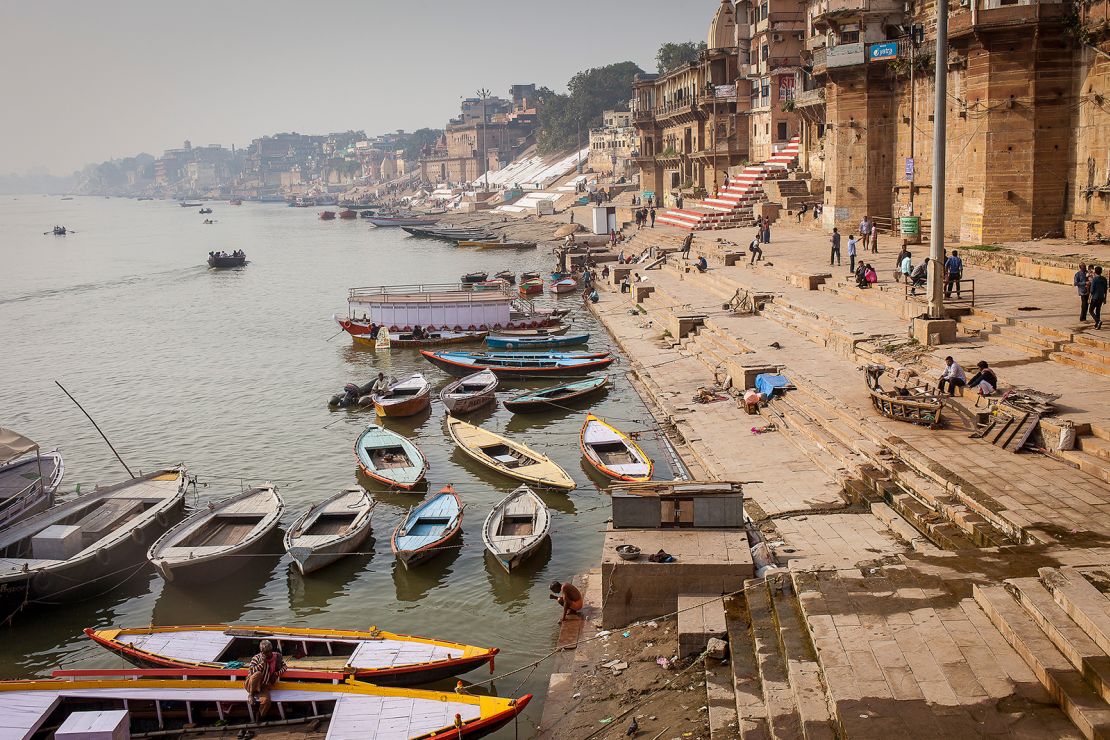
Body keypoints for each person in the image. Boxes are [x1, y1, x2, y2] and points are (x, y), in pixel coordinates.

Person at [245, 639, 287, 718]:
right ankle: (250, 695)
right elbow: (251, 671)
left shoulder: (276, 657)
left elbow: (285, 667)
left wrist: (277, 673)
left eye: (268, 652)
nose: (266, 654)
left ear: (271, 651)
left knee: (266, 701)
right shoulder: (256, 658)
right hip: (251, 685)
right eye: (264, 652)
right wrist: (262, 663)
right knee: (257, 674)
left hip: (263, 686)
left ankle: (260, 716)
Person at [1092, 265, 1108, 330]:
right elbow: (1105, 290)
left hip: (1095, 297)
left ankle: (1098, 321)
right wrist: (1105, 298)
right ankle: (1097, 324)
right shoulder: (1104, 279)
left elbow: (1092, 290)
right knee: (1098, 310)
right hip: (1101, 297)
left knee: (1091, 310)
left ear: (1095, 272)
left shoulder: (1094, 279)